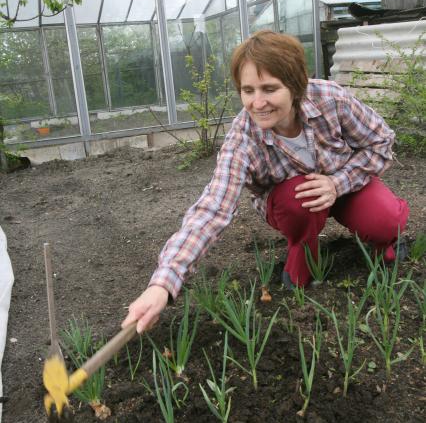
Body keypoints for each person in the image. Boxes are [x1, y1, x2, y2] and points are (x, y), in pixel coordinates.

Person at [122, 30, 409, 334]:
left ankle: (386, 243)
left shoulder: (331, 99)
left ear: (296, 86)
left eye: (270, 88)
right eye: (248, 90)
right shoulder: (242, 139)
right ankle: (303, 254)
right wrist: (163, 284)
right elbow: (212, 210)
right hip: (293, 205)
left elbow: (380, 142)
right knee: (300, 200)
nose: (258, 103)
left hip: (345, 184)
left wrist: (337, 183)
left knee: (386, 220)